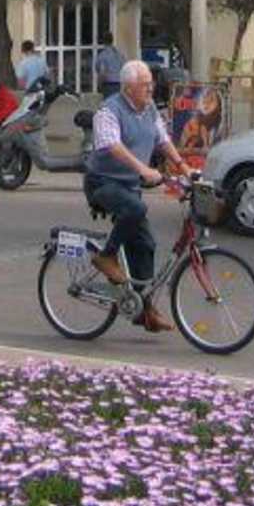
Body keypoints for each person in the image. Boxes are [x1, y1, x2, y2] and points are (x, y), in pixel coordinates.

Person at [83, 60, 190, 335]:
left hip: (129, 186)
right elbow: (112, 146)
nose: (150, 89)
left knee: (146, 245)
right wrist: (143, 169)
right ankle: (106, 257)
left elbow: (162, 139)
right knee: (135, 208)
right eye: (145, 85)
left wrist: (183, 167)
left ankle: (144, 310)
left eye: (151, 84)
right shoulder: (109, 110)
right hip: (103, 182)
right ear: (128, 88)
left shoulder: (150, 108)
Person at [91, 33, 124, 99]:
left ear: (103, 41)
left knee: (109, 103)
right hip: (119, 84)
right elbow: (123, 68)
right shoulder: (119, 54)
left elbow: (102, 72)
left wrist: (99, 84)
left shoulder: (103, 55)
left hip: (108, 85)